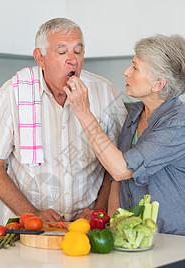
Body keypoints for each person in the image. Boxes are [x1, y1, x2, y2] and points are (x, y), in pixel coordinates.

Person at [0, 18, 127, 224]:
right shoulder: (13, 93)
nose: (73, 60)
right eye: (62, 52)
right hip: (29, 227)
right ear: (40, 58)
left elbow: (116, 165)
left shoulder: (104, 92)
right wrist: (32, 213)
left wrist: (99, 208)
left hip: (89, 226)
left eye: (78, 51)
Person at [64, 34, 185, 235]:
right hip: (134, 237)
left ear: (158, 84)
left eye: (135, 68)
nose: (126, 72)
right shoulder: (136, 112)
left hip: (172, 239)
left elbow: (122, 169)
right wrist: (113, 225)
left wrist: (83, 112)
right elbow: (116, 178)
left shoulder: (178, 124)